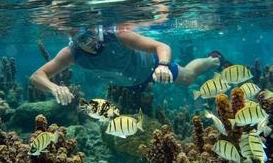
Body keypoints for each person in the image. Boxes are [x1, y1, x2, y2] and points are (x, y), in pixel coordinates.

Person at [30, 24, 221, 106]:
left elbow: (161, 46)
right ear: (74, 40)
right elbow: (36, 77)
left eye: (93, 32)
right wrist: (54, 87)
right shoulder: (72, 54)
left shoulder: (118, 35)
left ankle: (212, 60)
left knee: (187, 77)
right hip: (129, 84)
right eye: (83, 38)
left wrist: (163, 65)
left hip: (152, 69)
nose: (91, 41)